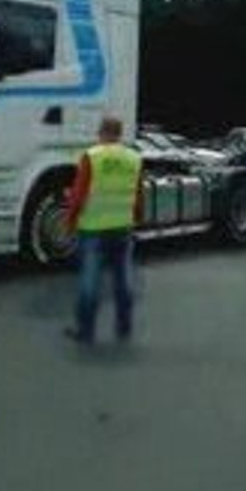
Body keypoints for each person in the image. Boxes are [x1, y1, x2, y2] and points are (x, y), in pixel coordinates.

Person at [63, 115, 144, 345]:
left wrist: (69, 223)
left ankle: (85, 331)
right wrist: (137, 218)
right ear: (119, 134)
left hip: (93, 229)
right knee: (124, 280)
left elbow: (78, 195)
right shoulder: (133, 158)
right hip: (123, 228)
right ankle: (124, 327)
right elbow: (138, 195)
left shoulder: (92, 157)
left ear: (101, 133)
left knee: (90, 281)